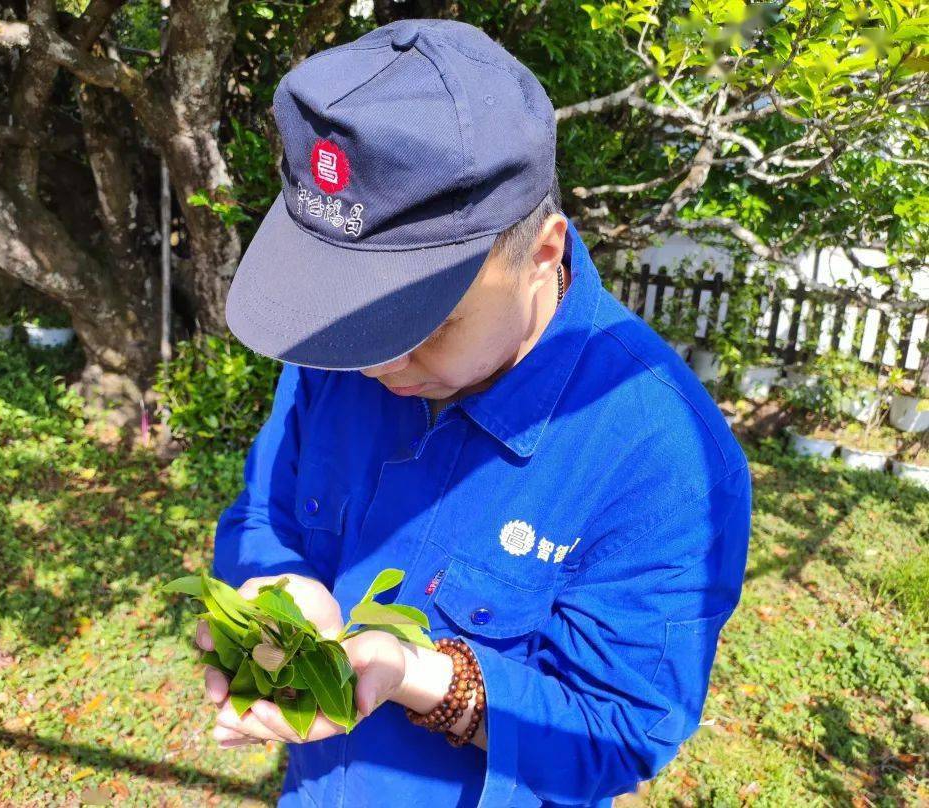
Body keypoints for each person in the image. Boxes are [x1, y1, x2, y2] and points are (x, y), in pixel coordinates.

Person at [195, 18, 752, 808]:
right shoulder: (342, 351)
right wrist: (278, 591)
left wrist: (423, 677)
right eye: (352, 323)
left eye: (423, 323)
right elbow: (263, 515)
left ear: (544, 253)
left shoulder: (662, 456)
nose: (377, 361)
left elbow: (619, 729)